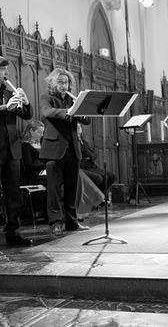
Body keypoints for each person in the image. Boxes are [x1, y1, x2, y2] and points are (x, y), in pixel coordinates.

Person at [40, 68, 91, 236]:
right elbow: (48, 112)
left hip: (72, 148)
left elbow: (87, 120)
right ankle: (55, 222)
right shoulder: (47, 98)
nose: (64, 85)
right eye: (60, 82)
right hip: (54, 149)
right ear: (54, 83)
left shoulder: (73, 100)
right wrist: (69, 112)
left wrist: (82, 112)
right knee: (54, 189)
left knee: (71, 188)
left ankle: (72, 222)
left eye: (66, 82)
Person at [0, 56, 33, 245]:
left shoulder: (8, 91)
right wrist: (6, 107)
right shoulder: (6, 99)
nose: (7, 74)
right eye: (3, 70)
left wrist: (25, 101)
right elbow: (7, 109)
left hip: (12, 149)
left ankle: (13, 232)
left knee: (13, 193)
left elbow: (27, 115)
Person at [77, 124, 116, 194]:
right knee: (100, 178)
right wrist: (90, 155)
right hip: (83, 167)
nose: (79, 129)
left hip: (91, 165)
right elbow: (84, 153)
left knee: (112, 176)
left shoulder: (84, 141)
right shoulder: (76, 142)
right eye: (77, 128)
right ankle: (99, 197)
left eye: (80, 128)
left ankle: (102, 195)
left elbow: (93, 154)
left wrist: (90, 156)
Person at [21, 120, 46, 185]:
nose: (42, 135)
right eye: (39, 132)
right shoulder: (26, 145)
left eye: (43, 132)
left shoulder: (42, 144)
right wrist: (45, 166)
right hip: (34, 175)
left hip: (43, 172)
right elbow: (29, 166)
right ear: (31, 131)